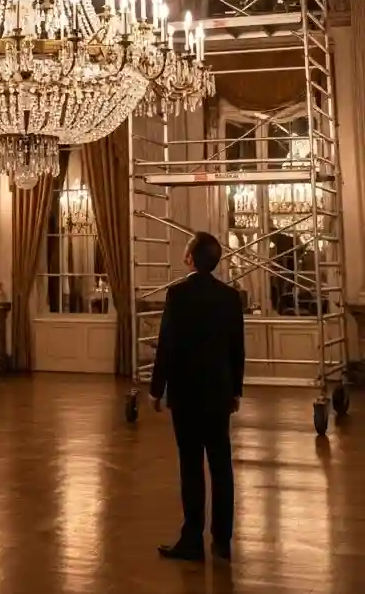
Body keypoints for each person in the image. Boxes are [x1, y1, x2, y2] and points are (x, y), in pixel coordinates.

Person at [151, 231, 245, 565]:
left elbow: (167, 344)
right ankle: (222, 541)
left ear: (191, 257)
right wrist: (236, 389)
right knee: (221, 467)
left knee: (191, 466)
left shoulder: (177, 294)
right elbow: (237, 349)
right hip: (219, 393)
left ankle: (192, 540)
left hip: (187, 394)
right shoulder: (230, 297)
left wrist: (155, 388)